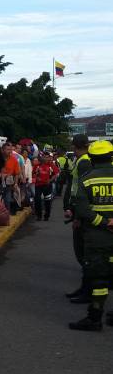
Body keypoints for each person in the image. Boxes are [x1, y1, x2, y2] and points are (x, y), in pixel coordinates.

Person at [67, 140, 113, 331]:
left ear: (92, 158)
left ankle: (94, 318)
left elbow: (84, 210)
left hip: (97, 236)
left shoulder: (87, 179)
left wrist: (104, 223)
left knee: (99, 279)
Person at [63, 134, 93, 302]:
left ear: (74, 146)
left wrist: (77, 215)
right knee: (83, 253)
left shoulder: (84, 162)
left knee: (83, 253)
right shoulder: (82, 160)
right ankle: (85, 288)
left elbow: (82, 191)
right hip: (78, 210)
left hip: (81, 212)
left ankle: (88, 291)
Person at [32, 153, 56, 221]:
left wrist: (50, 180)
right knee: (37, 200)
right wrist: (37, 178)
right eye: (44, 157)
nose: (45, 158)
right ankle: (39, 216)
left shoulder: (51, 165)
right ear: (42, 157)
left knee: (47, 201)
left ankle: (46, 216)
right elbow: (33, 173)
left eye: (47, 157)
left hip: (47, 186)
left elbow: (55, 174)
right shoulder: (37, 165)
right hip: (38, 185)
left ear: (49, 158)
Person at [0, 142, 22, 215]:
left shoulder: (14, 160)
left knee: (7, 200)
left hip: (9, 183)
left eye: (10, 149)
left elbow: (17, 173)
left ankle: (6, 215)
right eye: (7, 149)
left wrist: (15, 183)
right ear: (3, 150)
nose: (9, 151)